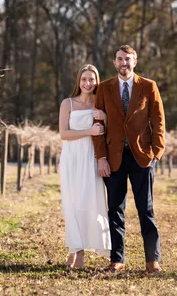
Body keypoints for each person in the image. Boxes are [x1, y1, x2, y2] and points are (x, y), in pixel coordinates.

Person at [92, 45, 166, 275]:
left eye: (128, 59)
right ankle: (117, 260)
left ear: (135, 62)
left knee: (146, 209)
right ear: (114, 63)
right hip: (114, 159)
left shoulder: (149, 86)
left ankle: (152, 261)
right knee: (115, 209)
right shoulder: (104, 88)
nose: (124, 63)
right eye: (120, 59)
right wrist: (101, 157)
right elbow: (98, 126)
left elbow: (159, 121)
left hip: (142, 158)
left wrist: (156, 153)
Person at [58, 64, 111, 269]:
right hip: (72, 157)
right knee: (71, 203)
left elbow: (110, 129)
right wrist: (89, 130)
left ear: (97, 81)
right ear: (78, 81)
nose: (88, 83)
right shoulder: (68, 104)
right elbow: (64, 134)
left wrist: (105, 118)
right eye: (84, 79)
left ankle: (81, 249)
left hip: (91, 157)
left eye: (92, 79)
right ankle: (76, 251)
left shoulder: (100, 104)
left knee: (88, 202)